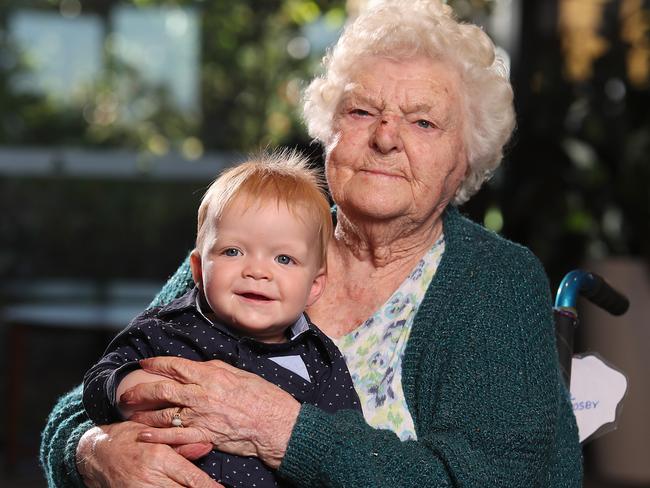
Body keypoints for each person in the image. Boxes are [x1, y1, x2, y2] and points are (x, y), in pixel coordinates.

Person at [41, 1, 582, 486]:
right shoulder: (258, 238)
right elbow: (81, 405)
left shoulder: (495, 283)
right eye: (362, 111)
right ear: (328, 131)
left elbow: (493, 479)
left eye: (422, 122)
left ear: (468, 157)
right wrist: (93, 451)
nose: (386, 137)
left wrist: (280, 430)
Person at [81, 150, 360, 487]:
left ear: (314, 286)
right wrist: (131, 394)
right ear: (198, 269)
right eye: (233, 251)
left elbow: (344, 448)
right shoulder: (165, 330)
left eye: (283, 259)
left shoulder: (319, 361)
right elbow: (95, 387)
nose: (257, 271)